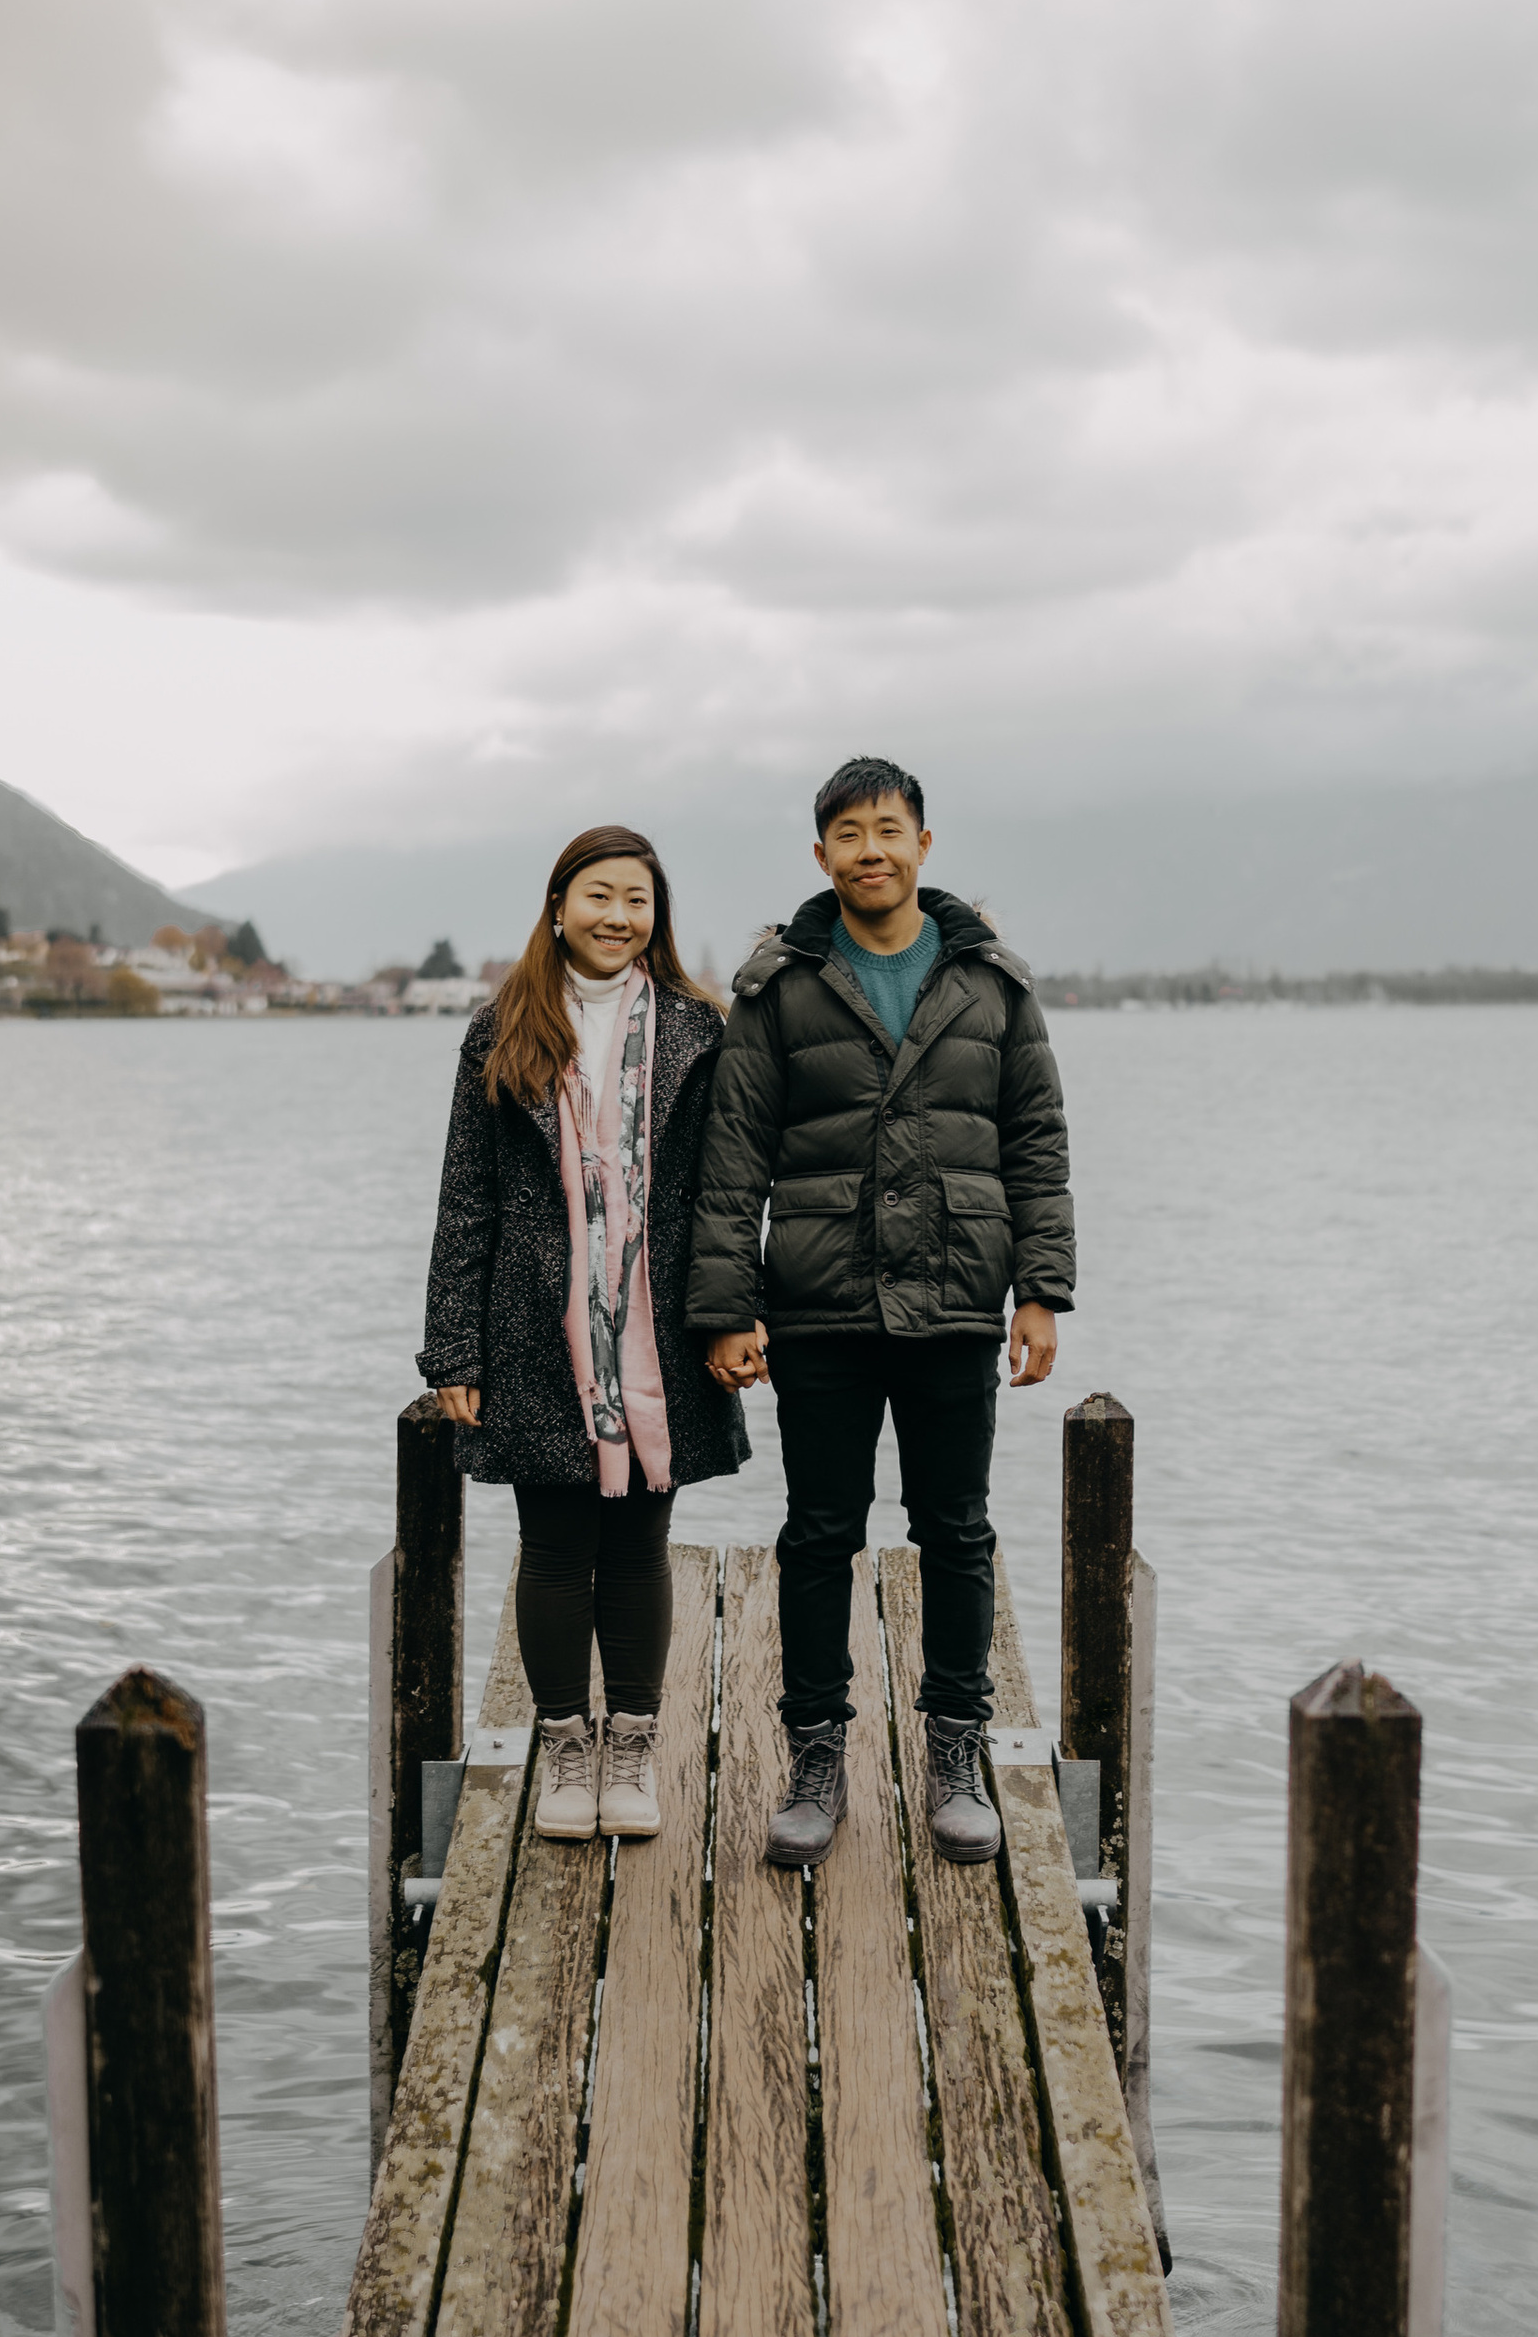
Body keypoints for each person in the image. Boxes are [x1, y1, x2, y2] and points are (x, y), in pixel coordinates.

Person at [687, 756, 1075, 1871]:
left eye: (889, 829)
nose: (871, 849)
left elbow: (1036, 1146)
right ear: (821, 856)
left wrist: (1041, 1290)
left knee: (954, 1530)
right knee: (820, 1532)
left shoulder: (990, 981)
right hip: (818, 1305)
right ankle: (817, 1758)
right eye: (848, 833)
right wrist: (725, 1308)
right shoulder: (779, 986)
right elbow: (732, 1160)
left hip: (957, 1295)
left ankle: (957, 1753)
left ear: (923, 845)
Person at [419, 826, 747, 1843]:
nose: (618, 917)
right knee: (554, 1545)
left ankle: (632, 1745)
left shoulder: (701, 1028)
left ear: (658, 916)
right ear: (558, 906)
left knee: (643, 1542)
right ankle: (564, 1744)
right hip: (533, 1325)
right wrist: (454, 1350)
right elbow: (465, 1200)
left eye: (637, 900)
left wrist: (735, 1310)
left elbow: (734, 1191)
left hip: (660, 1321)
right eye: (599, 896)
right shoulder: (502, 1029)